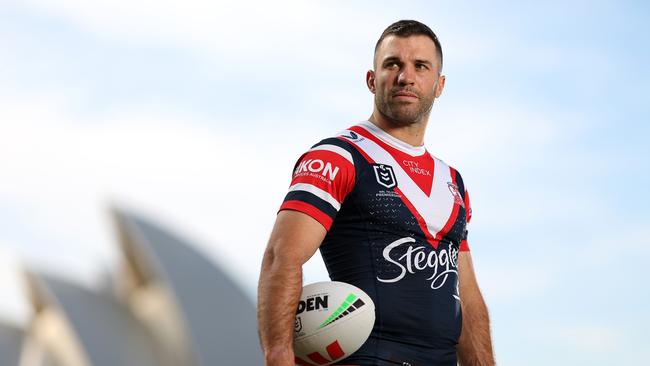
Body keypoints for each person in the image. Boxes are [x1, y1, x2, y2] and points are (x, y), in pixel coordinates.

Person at [258, 20, 495, 366]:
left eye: (420, 66)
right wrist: (278, 355)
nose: (405, 77)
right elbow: (281, 257)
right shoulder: (337, 156)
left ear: (439, 84)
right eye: (393, 64)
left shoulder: (452, 181)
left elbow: (468, 298)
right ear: (372, 79)